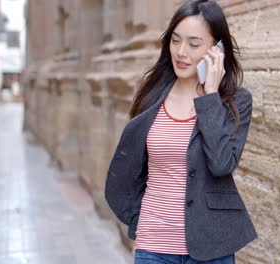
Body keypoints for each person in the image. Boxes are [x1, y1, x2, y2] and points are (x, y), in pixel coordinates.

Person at [104, 1, 257, 263]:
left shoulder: (235, 101)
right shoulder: (152, 95)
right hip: (154, 246)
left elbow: (222, 164)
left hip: (211, 249)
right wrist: (140, 228)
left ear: (216, 49)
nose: (181, 52)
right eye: (175, 41)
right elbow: (135, 169)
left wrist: (210, 94)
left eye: (194, 44)